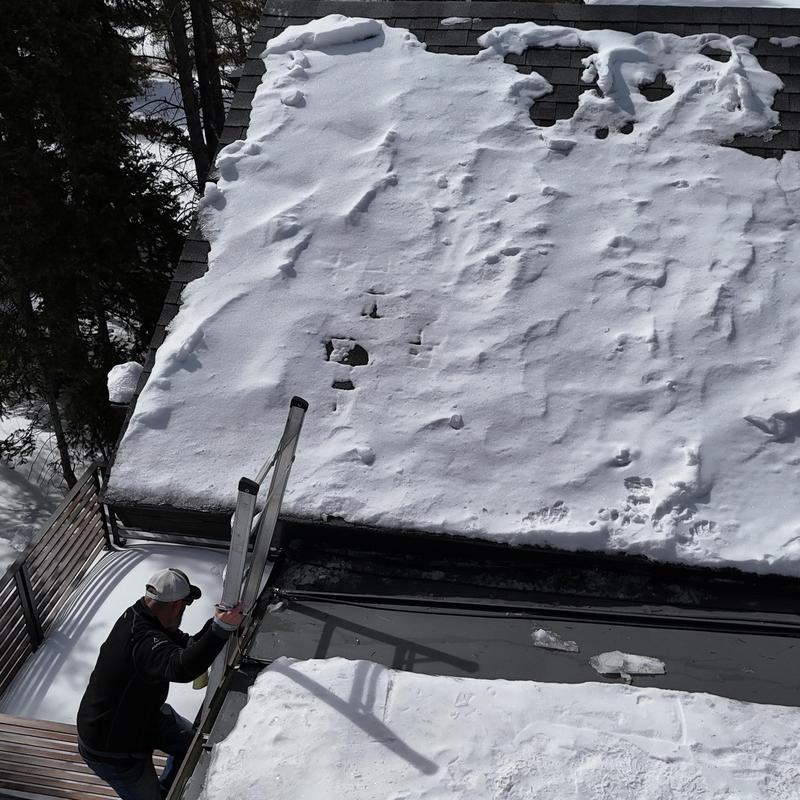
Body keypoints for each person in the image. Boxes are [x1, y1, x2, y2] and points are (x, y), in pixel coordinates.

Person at [77, 567, 243, 800]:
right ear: (176, 606)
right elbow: (180, 667)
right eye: (185, 606)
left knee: (189, 745)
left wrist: (217, 624)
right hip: (113, 748)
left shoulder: (143, 615)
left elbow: (186, 646)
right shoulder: (143, 638)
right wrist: (219, 631)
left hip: (141, 717)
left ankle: (167, 790)